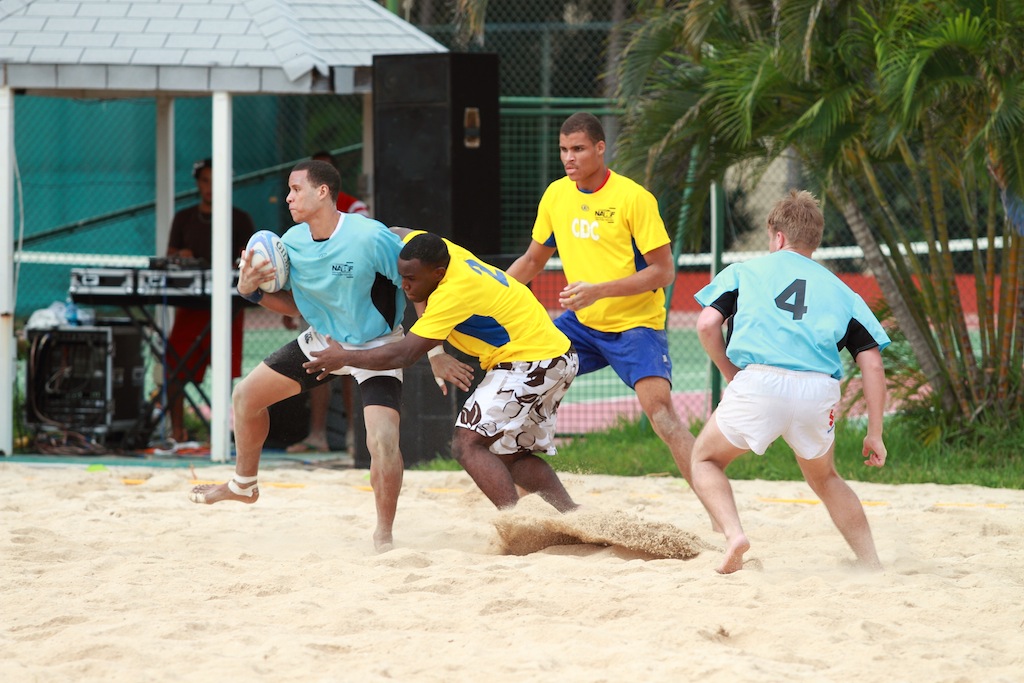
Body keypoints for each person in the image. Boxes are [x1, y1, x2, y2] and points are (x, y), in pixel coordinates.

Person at [188, 160, 467, 552]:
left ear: (322, 192)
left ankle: (384, 535)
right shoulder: (291, 243)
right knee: (245, 397)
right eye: (288, 190)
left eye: (295, 189)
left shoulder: (369, 237)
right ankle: (244, 485)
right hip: (322, 342)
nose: (288, 197)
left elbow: (418, 288)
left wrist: (435, 351)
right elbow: (293, 305)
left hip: (375, 345)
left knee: (383, 442)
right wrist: (250, 291)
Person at [304, 230, 580, 512]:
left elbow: (404, 354)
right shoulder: (442, 252)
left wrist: (344, 357)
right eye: (401, 275)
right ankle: (573, 515)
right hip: (556, 356)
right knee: (509, 455)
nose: (403, 285)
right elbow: (397, 231)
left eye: (412, 279)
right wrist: (349, 239)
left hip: (532, 361)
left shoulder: (454, 292)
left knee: (466, 444)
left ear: (438, 273)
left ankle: (515, 522)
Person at [691, 189, 890, 574]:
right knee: (827, 479)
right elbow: (873, 364)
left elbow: (706, 324)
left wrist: (729, 372)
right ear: (814, 241)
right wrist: (875, 433)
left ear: (778, 237)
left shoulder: (744, 272)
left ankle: (735, 536)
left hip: (760, 382)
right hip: (817, 390)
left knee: (705, 459)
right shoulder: (843, 292)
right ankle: (871, 562)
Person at [505, 111, 695, 484]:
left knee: (662, 417)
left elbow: (663, 272)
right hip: (581, 326)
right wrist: (491, 293)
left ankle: (715, 503)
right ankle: (524, 496)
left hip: (636, 327)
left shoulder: (633, 198)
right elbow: (531, 261)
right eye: (563, 149)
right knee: (519, 388)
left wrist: (598, 291)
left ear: (600, 148)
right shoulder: (556, 194)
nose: (569, 158)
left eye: (578, 149)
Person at [282, 150, 368, 454]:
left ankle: (353, 434)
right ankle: (317, 434)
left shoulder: (356, 213)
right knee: (318, 368)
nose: (291, 197)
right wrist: (279, 297)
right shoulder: (295, 233)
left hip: (350, 304)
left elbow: (357, 251)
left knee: (350, 367)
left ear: (326, 185)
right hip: (318, 303)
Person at [164, 157, 255, 445]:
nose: (210, 187)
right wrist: (181, 257)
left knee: (225, 369)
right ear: (197, 183)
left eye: (216, 181)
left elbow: (250, 259)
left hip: (229, 306)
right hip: (190, 305)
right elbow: (169, 255)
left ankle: (221, 434)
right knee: (174, 365)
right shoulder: (184, 217)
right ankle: (177, 432)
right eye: (205, 180)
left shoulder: (240, 218)